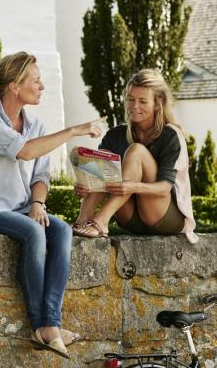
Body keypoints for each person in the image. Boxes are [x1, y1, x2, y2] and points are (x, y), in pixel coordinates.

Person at [0, 51, 104, 358]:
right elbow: (24, 152)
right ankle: (43, 326)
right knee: (33, 233)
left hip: (19, 209)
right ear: (14, 86)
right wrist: (74, 131)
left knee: (60, 229)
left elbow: (41, 175)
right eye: (35, 80)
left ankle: (50, 322)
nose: (42, 86)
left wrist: (38, 202)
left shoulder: (36, 126)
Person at [72, 69, 198, 243]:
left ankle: (101, 222)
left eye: (142, 101)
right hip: (130, 218)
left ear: (157, 103)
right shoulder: (115, 135)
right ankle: (83, 219)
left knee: (136, 151)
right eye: (130, 99)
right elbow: (100, 179)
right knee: (103, 158)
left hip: (164, 217)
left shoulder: (170, 135)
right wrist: (87, 185)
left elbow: (165, 188)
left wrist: (133, 187)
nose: (134, 106)